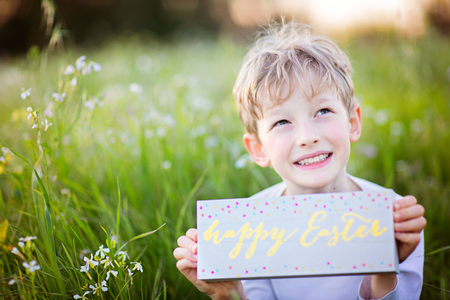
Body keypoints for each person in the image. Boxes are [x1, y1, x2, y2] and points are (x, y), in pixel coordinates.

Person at [173, 21, 427, 300]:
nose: (307, 137)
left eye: (322, 111)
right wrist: (230, 293)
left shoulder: (394, 217)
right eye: (282, 121)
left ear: (353, 122)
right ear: (259, 149)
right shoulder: (249, 229)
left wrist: (384, 266)